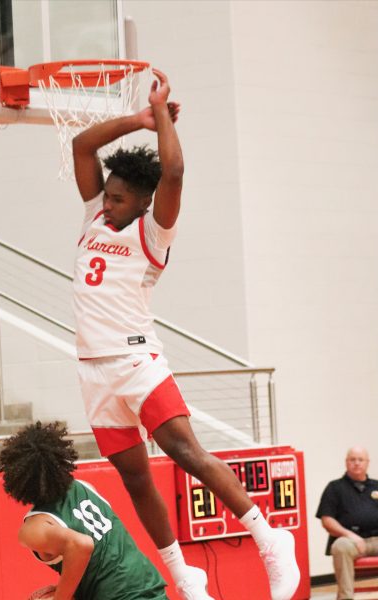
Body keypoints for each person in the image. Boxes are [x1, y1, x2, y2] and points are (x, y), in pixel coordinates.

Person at [69, 68, 300, 600]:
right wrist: (137, 119)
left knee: (184, 451)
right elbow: (83, 146)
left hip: (135, 359)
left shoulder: (154, 235)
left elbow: (173, 169)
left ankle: (270, 541)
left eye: (120, 199)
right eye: (108, 195)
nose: (109, 204)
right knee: (133, 477)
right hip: (93, 371)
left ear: (144, 202)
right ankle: (185, 578)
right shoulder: (92, 220)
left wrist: (163, 122)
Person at [0, 421, 170, 600]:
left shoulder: (34, 527)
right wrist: (67, 589)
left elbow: (82, 544)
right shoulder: (84, 487)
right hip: (149, 585)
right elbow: (100, 556)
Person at [316, 446, 378, 600]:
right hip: (350, 542)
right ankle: (346, 598)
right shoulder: (334, 488)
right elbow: (327, 520)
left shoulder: (376, 486)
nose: (356, 463)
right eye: (352, 459)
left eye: (360, 459)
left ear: (367, 463)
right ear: (346, 462)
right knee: (339, 546)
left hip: (376, 539)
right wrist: (351, 536)